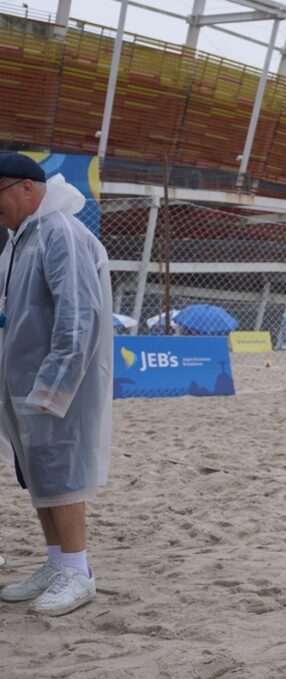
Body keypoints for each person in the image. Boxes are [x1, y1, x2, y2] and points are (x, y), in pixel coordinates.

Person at [0, 152, 113, 616]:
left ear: (27, 188)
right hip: (25, 382)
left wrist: (54, 386)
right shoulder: (21, 239)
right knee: (41, 476)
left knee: (62, 473)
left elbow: (78, 315)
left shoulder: (59, 232)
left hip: (56, 384)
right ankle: (56, 561)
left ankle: (78, 571)